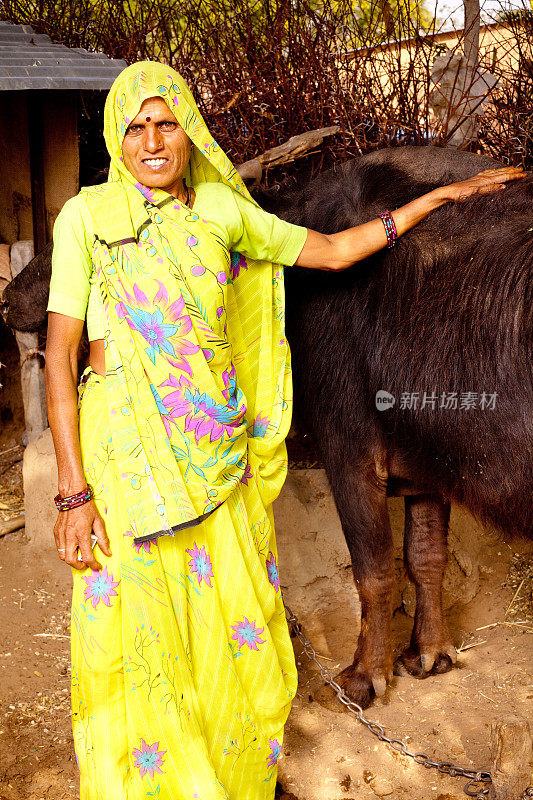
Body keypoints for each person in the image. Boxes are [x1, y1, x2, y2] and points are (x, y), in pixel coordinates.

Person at [44, 60, 525, 800]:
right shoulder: (83, 219)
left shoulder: (222, 215)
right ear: (116, 136)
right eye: (134, 126)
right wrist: (72, 492)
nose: (150, 140)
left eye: (165, 122)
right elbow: (62, 355)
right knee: (136, 629)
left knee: (225, 612)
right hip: (125, 462)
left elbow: (332, 250)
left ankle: (225, 768)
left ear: (187, 131)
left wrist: (435, 201)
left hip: (212, 463)